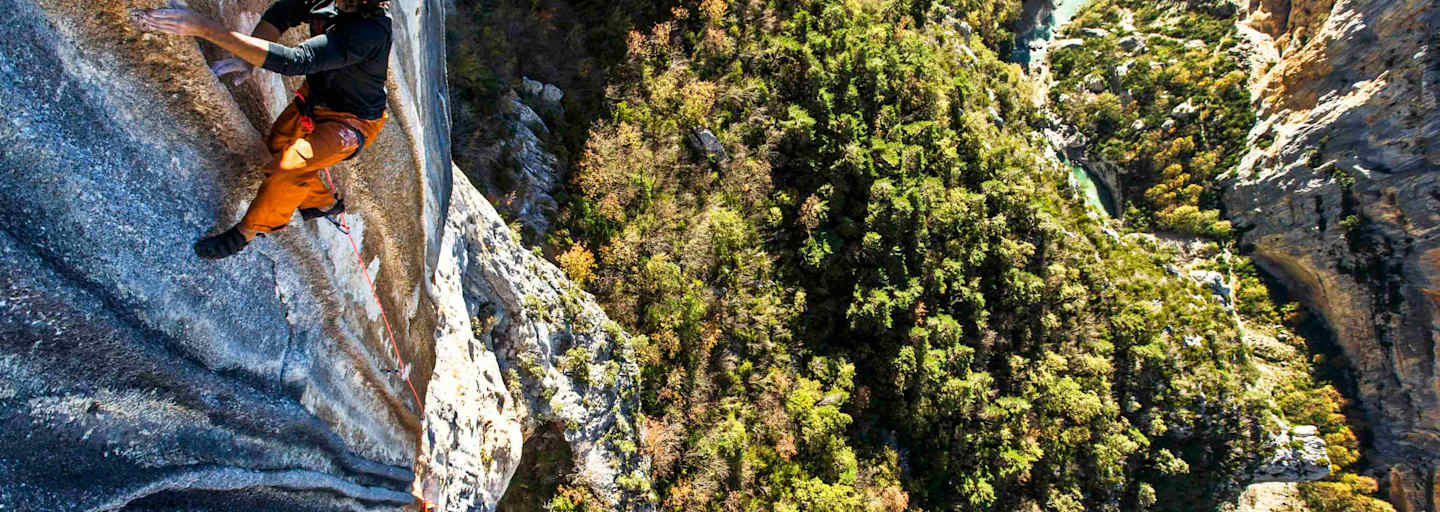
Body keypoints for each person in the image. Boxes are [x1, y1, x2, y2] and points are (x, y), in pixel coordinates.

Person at [131, 0, 392, 259]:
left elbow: (295, 61)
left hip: (351, 122)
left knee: (290, 166)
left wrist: (204, 27)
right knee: (278, 147)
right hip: (315, 100)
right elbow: (282, 13)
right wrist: (247, 59)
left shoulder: (370, 31)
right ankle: (321, 203)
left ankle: (245, 232)